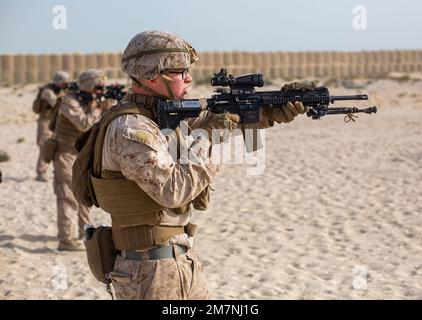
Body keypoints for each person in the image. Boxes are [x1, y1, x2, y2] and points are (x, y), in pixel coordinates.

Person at [81, 30, 309, 299]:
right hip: (147, 271)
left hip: (179, 260)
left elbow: (218, 119)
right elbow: (172, 190)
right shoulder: (131, 129)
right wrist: (211, 136)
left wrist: (269, 110)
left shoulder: (160, 116)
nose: (188, 78)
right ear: (151, 75)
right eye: (179, 71)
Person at [53, 69, 108, 251]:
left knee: (84, 195)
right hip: (65, 154)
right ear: (89, 85)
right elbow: (84, 124)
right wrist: (98, 107)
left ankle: (84, 233)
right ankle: (66, 239)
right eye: (98, 86)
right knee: (67, 196)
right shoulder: (69, 101)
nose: (100, 90)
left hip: (83, 155)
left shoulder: (93, 101)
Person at [33, 71, 70, 182]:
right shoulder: (47, 91)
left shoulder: (61, 90)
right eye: (64, 83)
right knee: (45, 146)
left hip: (57, 120)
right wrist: (66, 96)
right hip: (46, 121)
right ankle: (41, 172)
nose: (65, 84)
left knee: (59, 146)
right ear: (58, 82)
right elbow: (55, 103)